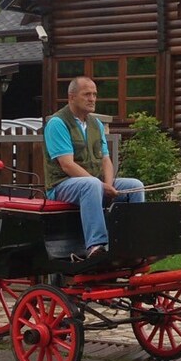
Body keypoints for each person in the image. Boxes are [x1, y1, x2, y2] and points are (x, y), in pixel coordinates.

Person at [43, 76, 144, 261]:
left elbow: (106, 159)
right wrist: (100, 185)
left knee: (135, 185)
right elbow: (67, 164)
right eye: (87, 94)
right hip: (61, 186)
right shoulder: (58, 123)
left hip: (94, 183)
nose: (93, 99)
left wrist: (108, 184)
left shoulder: (95, 124)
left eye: (95, 94)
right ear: (71, 97)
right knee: (90, 185)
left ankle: (133, 243)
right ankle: (97, 246)